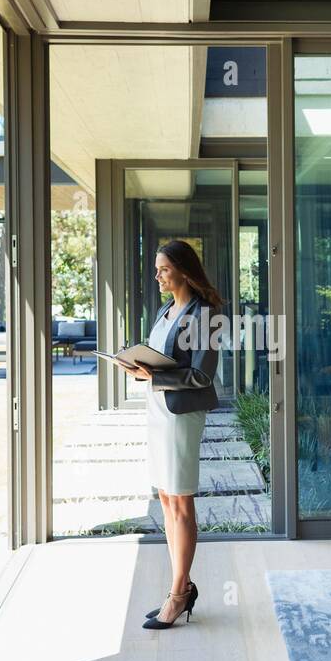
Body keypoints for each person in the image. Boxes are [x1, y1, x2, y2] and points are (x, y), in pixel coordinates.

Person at [123, 240, 223, 629]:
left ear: (183, 270)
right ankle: (178, 586)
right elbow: (161, 356)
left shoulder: (209, 314)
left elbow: (202, 375)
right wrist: (137, 364)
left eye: (164, 269)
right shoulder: (167, 309)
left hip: (181, 414)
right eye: (157, 269)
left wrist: (156, 375)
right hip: (158, 410)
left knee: (181, 503)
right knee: (166, 498)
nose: (158, 276)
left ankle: (179, 593)